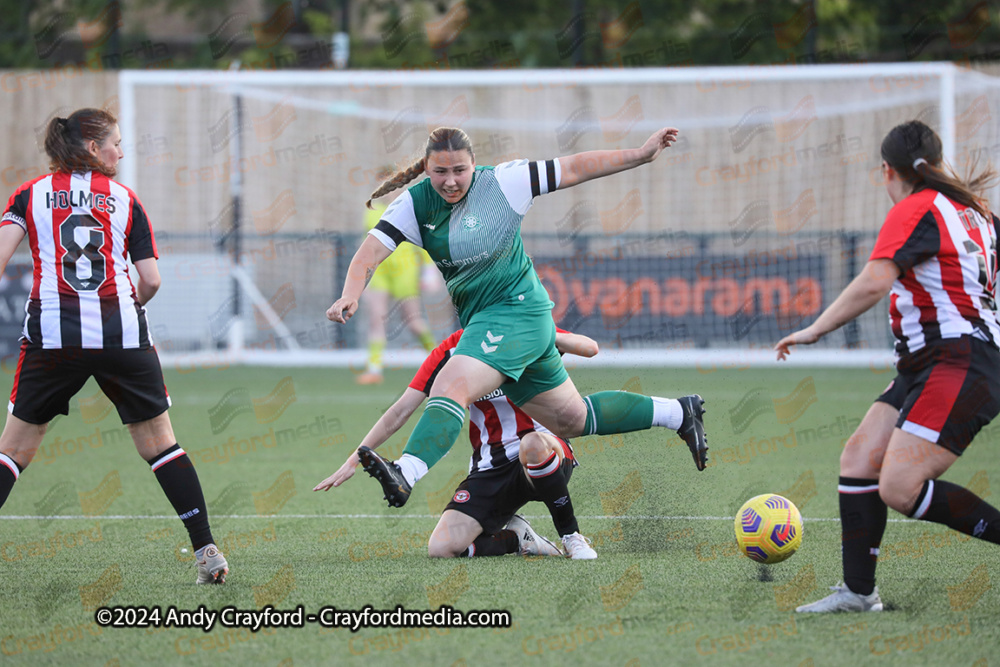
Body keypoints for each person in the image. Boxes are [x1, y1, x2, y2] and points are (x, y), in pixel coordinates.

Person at [326, 126, 708, 508]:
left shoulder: (505, 182)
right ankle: (678, 412)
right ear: (426, 169)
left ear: (475, 164)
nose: (451, 181)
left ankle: (406, 472)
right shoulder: (414, 204)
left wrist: (640, 155)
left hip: (517, 311)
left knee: (451, 385)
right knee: (570, 419)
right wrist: (350, 294)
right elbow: (369, 253)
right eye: (440, 172)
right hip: (503, 324)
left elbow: (575, 167)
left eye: (460, 170)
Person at [775, 120, 1000, 612]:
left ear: (887, 171)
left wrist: (815, 329)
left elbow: (876, 281)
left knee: (900, 486)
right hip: (935, 363)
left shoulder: (916, 207)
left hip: (958, 361)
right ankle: (858, 593)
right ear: (938, 163)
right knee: (860, 459)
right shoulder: (976, 213)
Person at [0, 108, 229, 584]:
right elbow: (151, 280)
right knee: (160, 445)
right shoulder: (126, 199)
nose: (122, 152)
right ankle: (206, 550)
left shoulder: (28, 195)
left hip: (52, 336)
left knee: (14, 450)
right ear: (92, 149)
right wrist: (130, 308)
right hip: (121, 333)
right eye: (116, 143)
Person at [314, 326, 601, 559]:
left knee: (533, 444)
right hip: (492, 466)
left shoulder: (528, 330)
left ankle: (571, 537)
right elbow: (401, 409)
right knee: (442, 549)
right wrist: (354, 459)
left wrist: (541, 332)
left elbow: (589, 347)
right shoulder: (451, 349)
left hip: (547, 451)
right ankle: (519, 540)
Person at [355, 166, 439, 385]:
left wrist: (428, 271)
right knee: (376, 317)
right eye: (384, 185)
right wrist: (358, 281)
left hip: (405, 271)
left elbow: (422, 242)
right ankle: (374, 369)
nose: (388, 190)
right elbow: (368, 247)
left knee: (414, 322)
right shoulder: (371, 211)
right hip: (380, 272)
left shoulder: (408, 209)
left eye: (392, 185)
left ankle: (440, 361)